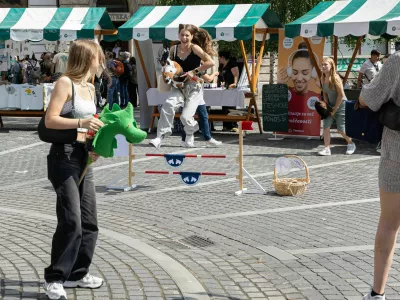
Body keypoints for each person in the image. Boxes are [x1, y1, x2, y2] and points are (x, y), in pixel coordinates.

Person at [43, 39, 105, 300]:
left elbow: (91, 128)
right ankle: (56, 278)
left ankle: (78, 273)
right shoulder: (65, 83)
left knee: (89, 222)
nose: (102, 61)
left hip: (83, 156)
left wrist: (95, 146)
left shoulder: (91, 88)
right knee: (71, 220)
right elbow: (50, 120)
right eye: (98, 56)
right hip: (63, 157)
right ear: (87, 58)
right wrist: (82, 120)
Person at [359, 52, 400, 300]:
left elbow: (368, 98)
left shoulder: (396, 61)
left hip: (396, 153)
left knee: (388, 224)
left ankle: (377, 294)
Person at [149, 24, 215, 149]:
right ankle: (160, 137)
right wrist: (165, 67)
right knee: (168, 104)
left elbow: (210, 62)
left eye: (187, 35)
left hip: (193, 86)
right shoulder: (173, 49)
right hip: (178, 85)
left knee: (185, 117)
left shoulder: (195, 48)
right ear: (178, 35)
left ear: (192, 36)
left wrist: (194, 71)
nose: (184, 38)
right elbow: (171, 65)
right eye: (182, 35)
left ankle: (192, 130)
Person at [277, 44, 321, 136]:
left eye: (305, 72)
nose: (299, 78)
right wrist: (279, 84)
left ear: (313, 73)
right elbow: (275, 107)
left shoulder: (316, 96)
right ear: (290, 72)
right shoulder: (285, 92)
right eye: (295, 72)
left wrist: (322, 87)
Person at [318, 57, 356, 156]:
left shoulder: (336, 78)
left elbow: (341, 95)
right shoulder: (322, 78)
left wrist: (334, 109)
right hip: (330, 105)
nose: (323, 66)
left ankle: (351, 143)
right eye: (322, 64)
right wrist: (326, 106)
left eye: (325, 64)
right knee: (326, 127)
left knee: (341, 130)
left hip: (341, 105)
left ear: (331, 66)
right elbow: (325, 93)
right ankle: (327, 149)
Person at [180, 70, 222, 147]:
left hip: (198, 95)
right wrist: (215, 73)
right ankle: (185, 139)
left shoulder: (198, 68)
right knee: (187, 117)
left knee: (204, 116)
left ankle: (208, 138)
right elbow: (209, 79)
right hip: (189, 94)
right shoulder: (197, 67)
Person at [218, 51, 239, 132]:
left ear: (223, 57)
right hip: (224, 88)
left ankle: (234, 125)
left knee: (231, 106)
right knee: (224, 106)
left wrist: (235, 83)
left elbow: (236, 74)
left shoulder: (231, 64)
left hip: (231, 88)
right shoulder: (221, 66)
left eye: (219, 58)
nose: (219, 59)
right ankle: (226, 125)